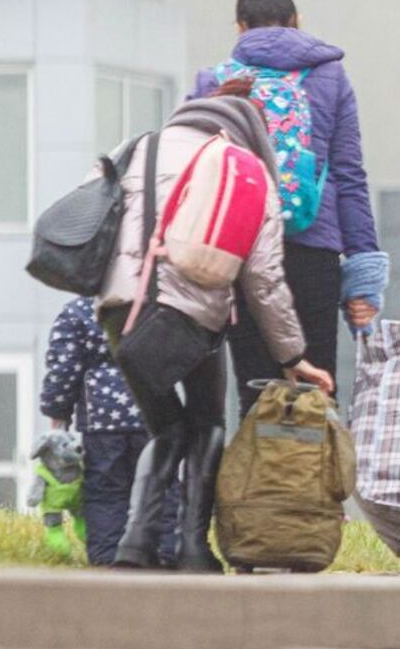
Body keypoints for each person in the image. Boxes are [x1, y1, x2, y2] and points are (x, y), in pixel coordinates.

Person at [101, 87, 334, 572]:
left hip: (121, 310)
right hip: (190, 313)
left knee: (164, 426)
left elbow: (95, 216)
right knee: (206, 422)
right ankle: (191, 548)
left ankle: (134, 544)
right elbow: (264, 279)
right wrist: (293, 356)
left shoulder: (138, 146)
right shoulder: (244, 169)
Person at [193, 0, 387, 416]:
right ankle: (311, 484)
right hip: (314, 249)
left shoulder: (212, 82)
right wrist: (362, 281)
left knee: (256, 393)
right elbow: (349, 175)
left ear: (240, 27)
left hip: (239, 253)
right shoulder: (331, 78)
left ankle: (259, 485)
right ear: (296, 20)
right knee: (316, 394)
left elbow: (191, 174)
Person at [39, 296, 168, 565]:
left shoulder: (79, 311)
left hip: (102, 422)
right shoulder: (154, 304)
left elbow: (63, 368)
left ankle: (110, 557)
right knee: (160, 484)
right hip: (155, 412)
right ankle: (166, 550)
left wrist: (57, 412)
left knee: (106, 491)